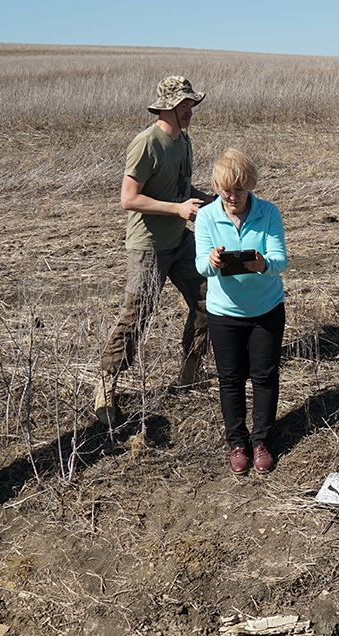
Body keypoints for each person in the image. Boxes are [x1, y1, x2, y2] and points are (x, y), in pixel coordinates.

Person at [95, 75, 214, 426]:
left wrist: (212, 201)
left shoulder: (185, 141)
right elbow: (128, 199)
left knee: (209, 300)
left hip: (180, 240)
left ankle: (190, 373)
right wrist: (177, 210)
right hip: (148, 247)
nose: (189, 110)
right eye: (184, 105)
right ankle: (105, 387)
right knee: (137, 318)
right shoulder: (147, 144)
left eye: (191, 104)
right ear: (167, 108)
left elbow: (180, 184)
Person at [195, 149, 289, 475]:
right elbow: (199, 266)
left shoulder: (269, 213)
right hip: (223, 313)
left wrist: (262, 264)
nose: (231, 196)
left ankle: (262, 441)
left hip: (266, 309)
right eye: (225, 190)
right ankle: (237, 443)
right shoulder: (207, 216)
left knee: (264, 377)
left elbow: (281, 261)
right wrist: (211, 261)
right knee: (230, 380)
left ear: (249, 185)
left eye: (238, 189)